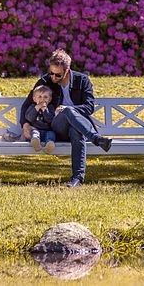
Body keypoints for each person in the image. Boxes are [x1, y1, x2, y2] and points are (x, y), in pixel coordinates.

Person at [20, 49, 112, 188]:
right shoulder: (45, 81)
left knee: (76, 130)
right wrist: (25, 124)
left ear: (67, 70)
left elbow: (89, 107)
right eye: (51, 73)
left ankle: (77, 179)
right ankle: (96, 139)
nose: (53, 77)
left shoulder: (83, 81)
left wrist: (70, 109)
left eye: (58, 74)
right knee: (68, 112)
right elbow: (27, 104)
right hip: (56, 127)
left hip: (78, 126)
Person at [23, 85, 57, 153]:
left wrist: (45, 110)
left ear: (50, 99)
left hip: (48, 130)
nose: (42, 99)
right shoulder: (32, 107)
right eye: (39, 97)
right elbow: (29, 118)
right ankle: (35, 142)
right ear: (34, 99)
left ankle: (49, 145)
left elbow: (50, 120)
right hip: (36, 129)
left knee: (51, 134)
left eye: (45, 97)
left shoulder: (50, 108)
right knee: (34, 133)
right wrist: (36, 108)